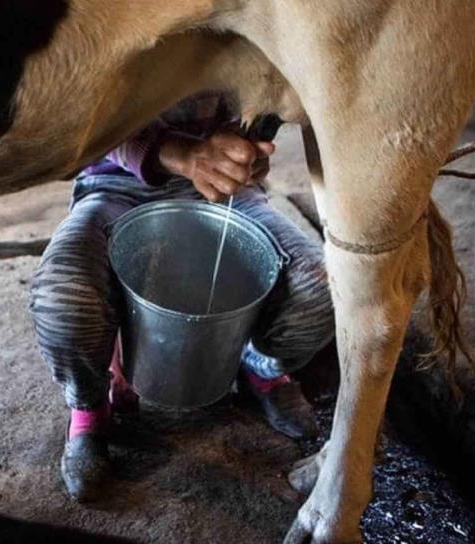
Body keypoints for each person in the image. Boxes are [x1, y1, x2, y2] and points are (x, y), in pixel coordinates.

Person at [29, 93, 335, 502]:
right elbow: (76, 118)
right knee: (62, 300)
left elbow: (257, 98)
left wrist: (243, 152)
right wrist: (182, 154)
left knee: (320, 287)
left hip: (222, 189)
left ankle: (256, 361)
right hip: (113, 184)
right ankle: (89, 404)